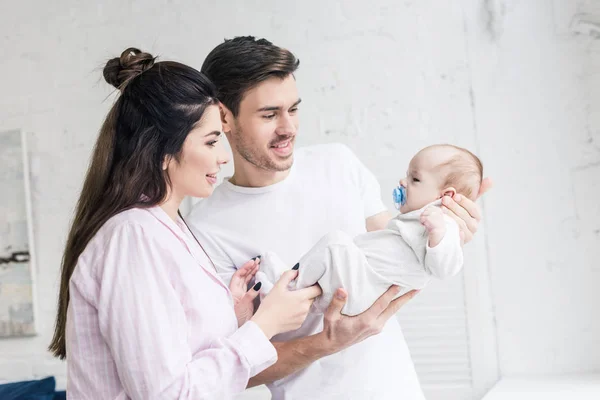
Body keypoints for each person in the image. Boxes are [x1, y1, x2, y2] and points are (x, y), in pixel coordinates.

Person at [188, 36, 491, 399]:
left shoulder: (339, 163)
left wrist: (447, 231)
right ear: (224, 117)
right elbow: (233, 369)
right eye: (269, 115)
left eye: (294, 109)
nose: (288, 128)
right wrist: (326, 343)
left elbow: (397, 260)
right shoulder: (204, 229)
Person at [47, 47, 321, 400]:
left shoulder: (167, 228)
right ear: (163, 152)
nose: (223, 156)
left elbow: (175, 358)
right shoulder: (132, 236)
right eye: (210, 142)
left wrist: (229, 316)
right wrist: (264, 325)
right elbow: (168, 394)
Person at [256, 144, 483, 316]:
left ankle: (289, 286)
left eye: (415, 179)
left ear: (447, 196)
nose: (403, 182)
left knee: (335, 243)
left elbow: (444, 269)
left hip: (365, 287)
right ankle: (291, 288)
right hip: (361, 280)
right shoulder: (418, 218)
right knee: (335, 252)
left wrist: (438, 234)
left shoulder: (445, 224)